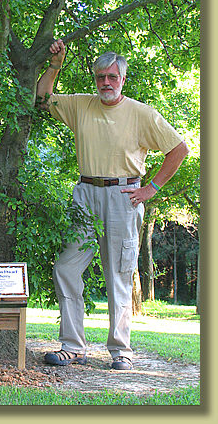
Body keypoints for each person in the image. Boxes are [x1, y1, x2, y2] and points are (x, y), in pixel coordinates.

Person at [37, 39, 189, 370]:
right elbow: (43, 97)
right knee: (66, 267)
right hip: (86, 195)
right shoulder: (81, 105)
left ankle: (121, 351)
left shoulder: (142, 113)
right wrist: (56, 64)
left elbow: (178, 149)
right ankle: (72, 346)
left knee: (118, 276)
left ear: (122, 80)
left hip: (124, 196)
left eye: (112, 77)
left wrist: (151, 189)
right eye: (100, 77)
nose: (106, 83)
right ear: (94, 79)